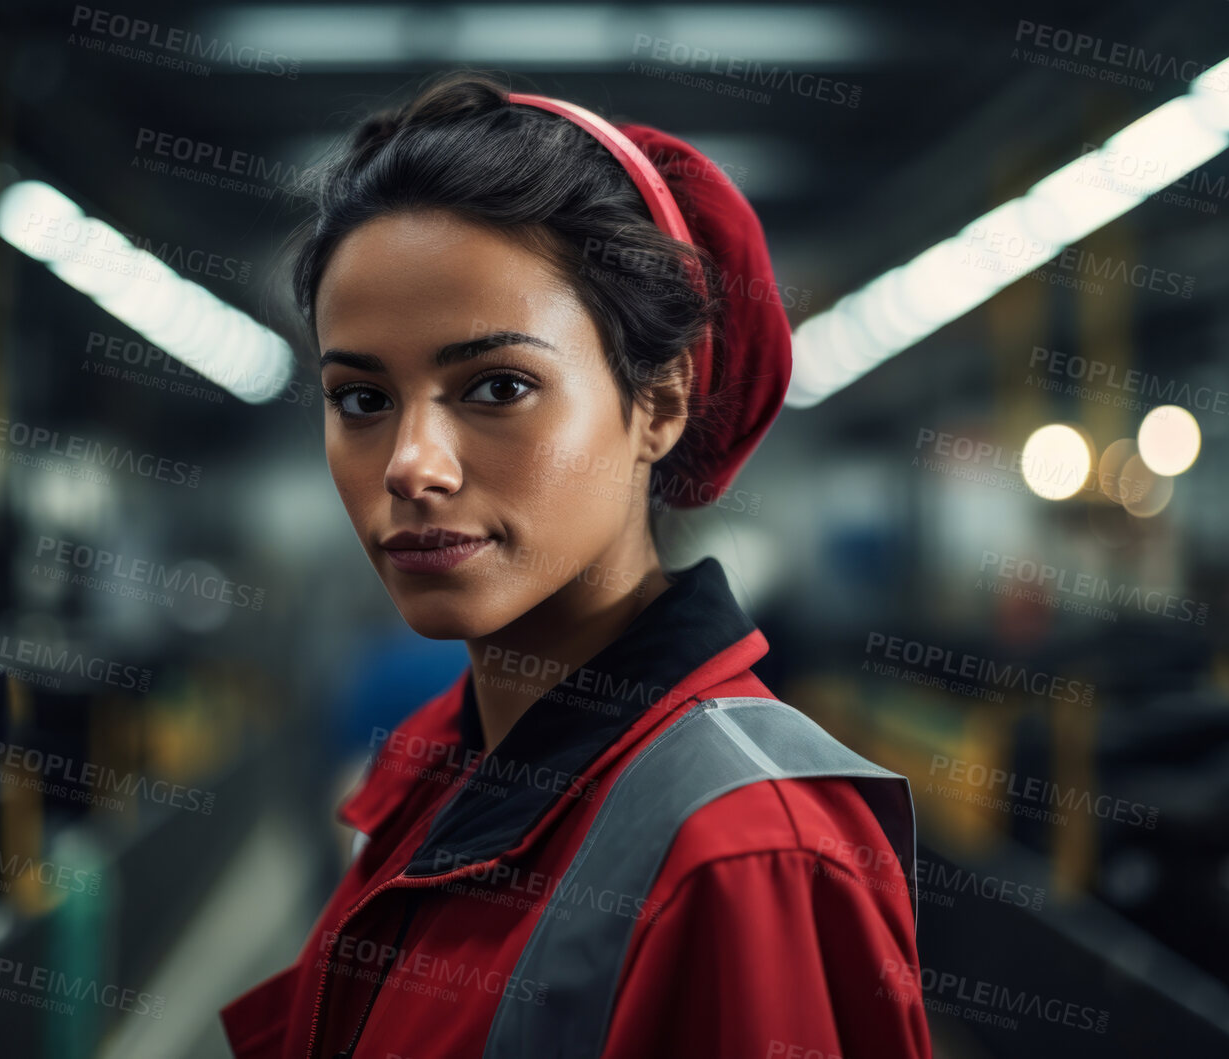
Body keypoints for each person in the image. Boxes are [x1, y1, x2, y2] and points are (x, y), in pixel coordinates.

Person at [220, 70, 932, 1059]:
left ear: (660, 402)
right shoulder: (439, 767)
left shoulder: (740, 856)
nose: (411, 465)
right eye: (360, 399)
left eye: (497, 386)